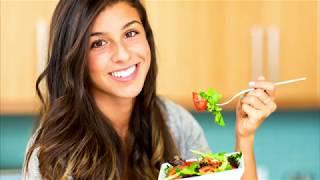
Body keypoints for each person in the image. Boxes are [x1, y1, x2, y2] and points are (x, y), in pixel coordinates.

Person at [23, 0, 277, 179]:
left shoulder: (175, 123)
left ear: (147, 39)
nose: (123, 54)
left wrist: (245, 137)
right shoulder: (50, 153)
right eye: (99, 43)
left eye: (131, 33)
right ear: (74, 57)